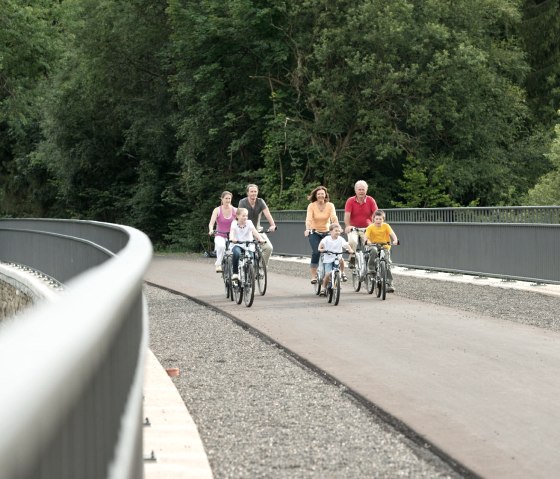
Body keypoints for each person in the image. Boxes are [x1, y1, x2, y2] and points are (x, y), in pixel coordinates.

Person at [304, 185, 342, 283]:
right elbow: (309, 219)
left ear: (325, 195)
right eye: (318, 194)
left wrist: (337, 227)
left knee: (331, 252)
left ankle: (334, 272)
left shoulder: (330, 205)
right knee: (316, 252)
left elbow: (334, 217)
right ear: (316, 195)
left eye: (322, 194)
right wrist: (307, 229)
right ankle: (313, 276)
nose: (320, 195)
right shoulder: (311, 206)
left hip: (327, 232)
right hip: (314, 232)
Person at [238, 184, 277, 266]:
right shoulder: (242, 202)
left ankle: (260, 267)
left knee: (268, 248)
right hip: (245, 231)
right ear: (247, 193)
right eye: (251, 191)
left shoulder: (260, 201)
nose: (253, 193)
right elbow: (240, 216)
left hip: (257, 230)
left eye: (255, 191)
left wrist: (273, 225)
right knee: (243, 252)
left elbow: (267, 213)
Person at [343, 180, 378, 268]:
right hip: (353, 228)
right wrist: (348, 226)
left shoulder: (370, 200)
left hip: (367, 228)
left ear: (366, 190)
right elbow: (347, 215)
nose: (361, 191)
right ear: (355, 190)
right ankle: (352, 258)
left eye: (363, 189)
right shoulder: (350, 201)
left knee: (370, 245)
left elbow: (376, 214)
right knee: (352, 241)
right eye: (359, 189)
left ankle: (371, 263)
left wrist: (376, 225)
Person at [364, 210, 398, 293]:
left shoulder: (386, 226)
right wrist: (367, 242)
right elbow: (366, 237)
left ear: (383, 219)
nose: (378, 221)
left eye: (380, 219)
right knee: (374, 251)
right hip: (373, 245)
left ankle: (389, 284)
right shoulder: (370, 227)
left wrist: (395, 240)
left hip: (385, 246)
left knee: (387, 263)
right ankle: (371, 268)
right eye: (377, 219)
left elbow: (392, 234)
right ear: (374, 219)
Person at [229, 208, 264, 281]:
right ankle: (235, 273)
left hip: (248, 245)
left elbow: (254, 231)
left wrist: (260, 239)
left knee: (251, 259)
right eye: (243, 216)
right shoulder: (234, 223)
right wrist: (232, 238)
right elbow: (231, 232)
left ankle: (249, 276)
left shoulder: (249, 222)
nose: (245, 217)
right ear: (237, 216)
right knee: (236, 253)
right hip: (237, 244)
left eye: (246, 216)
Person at [317, 224, 353, 295]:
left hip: (337, 256)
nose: (337, 232)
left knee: (342, 260)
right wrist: (320, 249)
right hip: (328, 258)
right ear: (330, 231)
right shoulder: (327, 239)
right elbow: (321, 245)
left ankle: (342, 273)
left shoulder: (340, 239)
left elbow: (346, 245)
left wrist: (350, 250)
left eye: (339, 231)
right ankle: (323, 288)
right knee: (327, 274)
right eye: (336, 231)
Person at [208, 191, 237, 273]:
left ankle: (236, 271)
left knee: (235, 251)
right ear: (222, 199)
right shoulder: (217, 210)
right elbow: (211, 223)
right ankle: (218, 264)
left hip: (232, 235)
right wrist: (211, 230)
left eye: (229, 198)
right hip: (220, 234)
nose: (228, 200)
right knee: (221, 246)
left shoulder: (235, 210)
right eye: (226, 198)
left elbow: (240, 222)